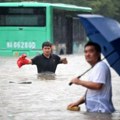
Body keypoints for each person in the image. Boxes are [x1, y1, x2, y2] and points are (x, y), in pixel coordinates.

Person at [68, 41, 115, 113]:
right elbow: (91, 92)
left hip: (101, 111)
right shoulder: (96, 67)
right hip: (95, 112)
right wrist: (77, 102)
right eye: (86, 52)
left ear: (98, 53)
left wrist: (79, 82)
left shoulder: (100, 66)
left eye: (91, 51)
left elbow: (97, 86)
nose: (87, 54)